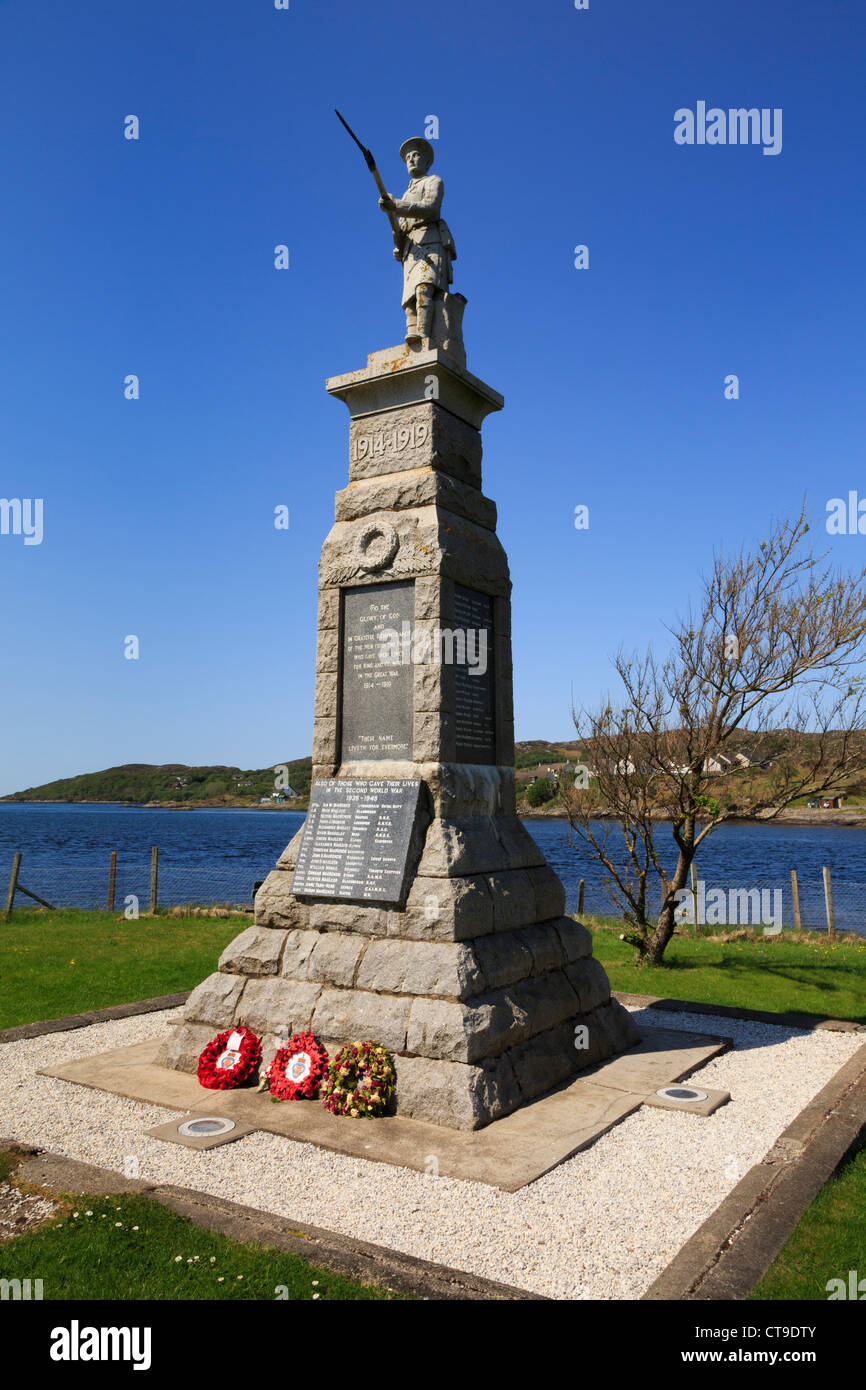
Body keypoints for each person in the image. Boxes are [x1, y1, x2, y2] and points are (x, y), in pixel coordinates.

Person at [379, 137, 456, 348]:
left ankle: (424, 334)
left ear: (427, 161)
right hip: (411, 248)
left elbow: (431, 208)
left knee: (424, 287)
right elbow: (402, 227)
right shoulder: (405, 193)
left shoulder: (434, 181)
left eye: (416, 155)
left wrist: (397, 206)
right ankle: (411, 333)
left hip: (430, 240)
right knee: (409, 297)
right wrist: (398, 242)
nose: (412, 160)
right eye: (408, 158)